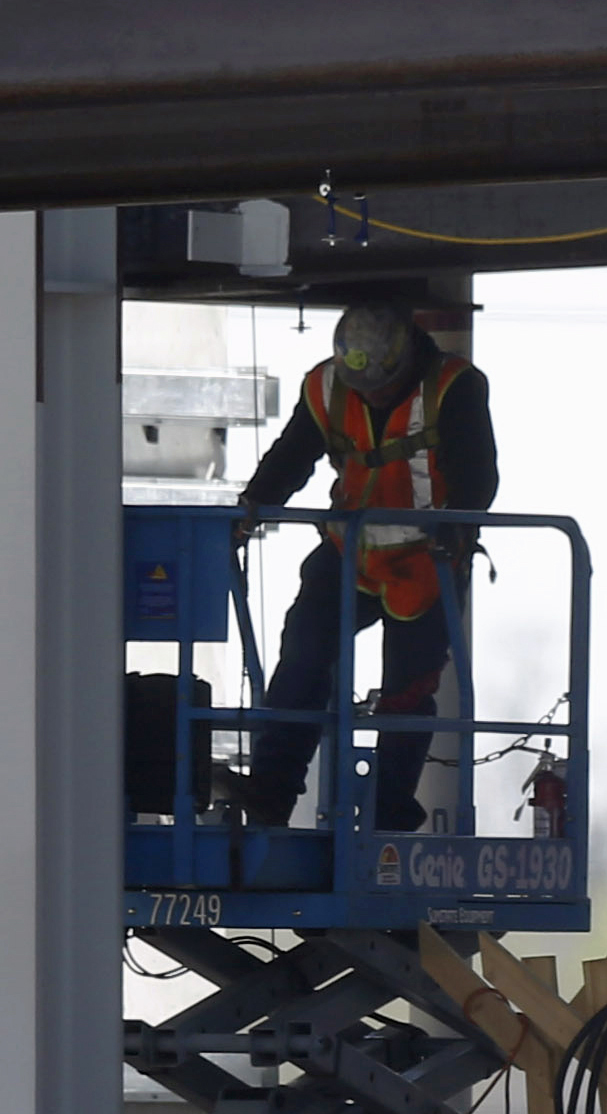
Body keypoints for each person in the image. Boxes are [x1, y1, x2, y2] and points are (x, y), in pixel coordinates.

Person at [236, 292, 498, 830]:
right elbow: (293, 454)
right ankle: (270, 792)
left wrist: (460, 524)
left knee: (407, 692)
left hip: (426, 563)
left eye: (382, 389)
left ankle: (388, 816)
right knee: (304, 657)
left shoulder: (453, 387)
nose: (373, 398)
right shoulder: (328, 386)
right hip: (349, 552)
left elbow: (478, 473)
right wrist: (253, 505)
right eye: (366, 390)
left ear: (405, 364)